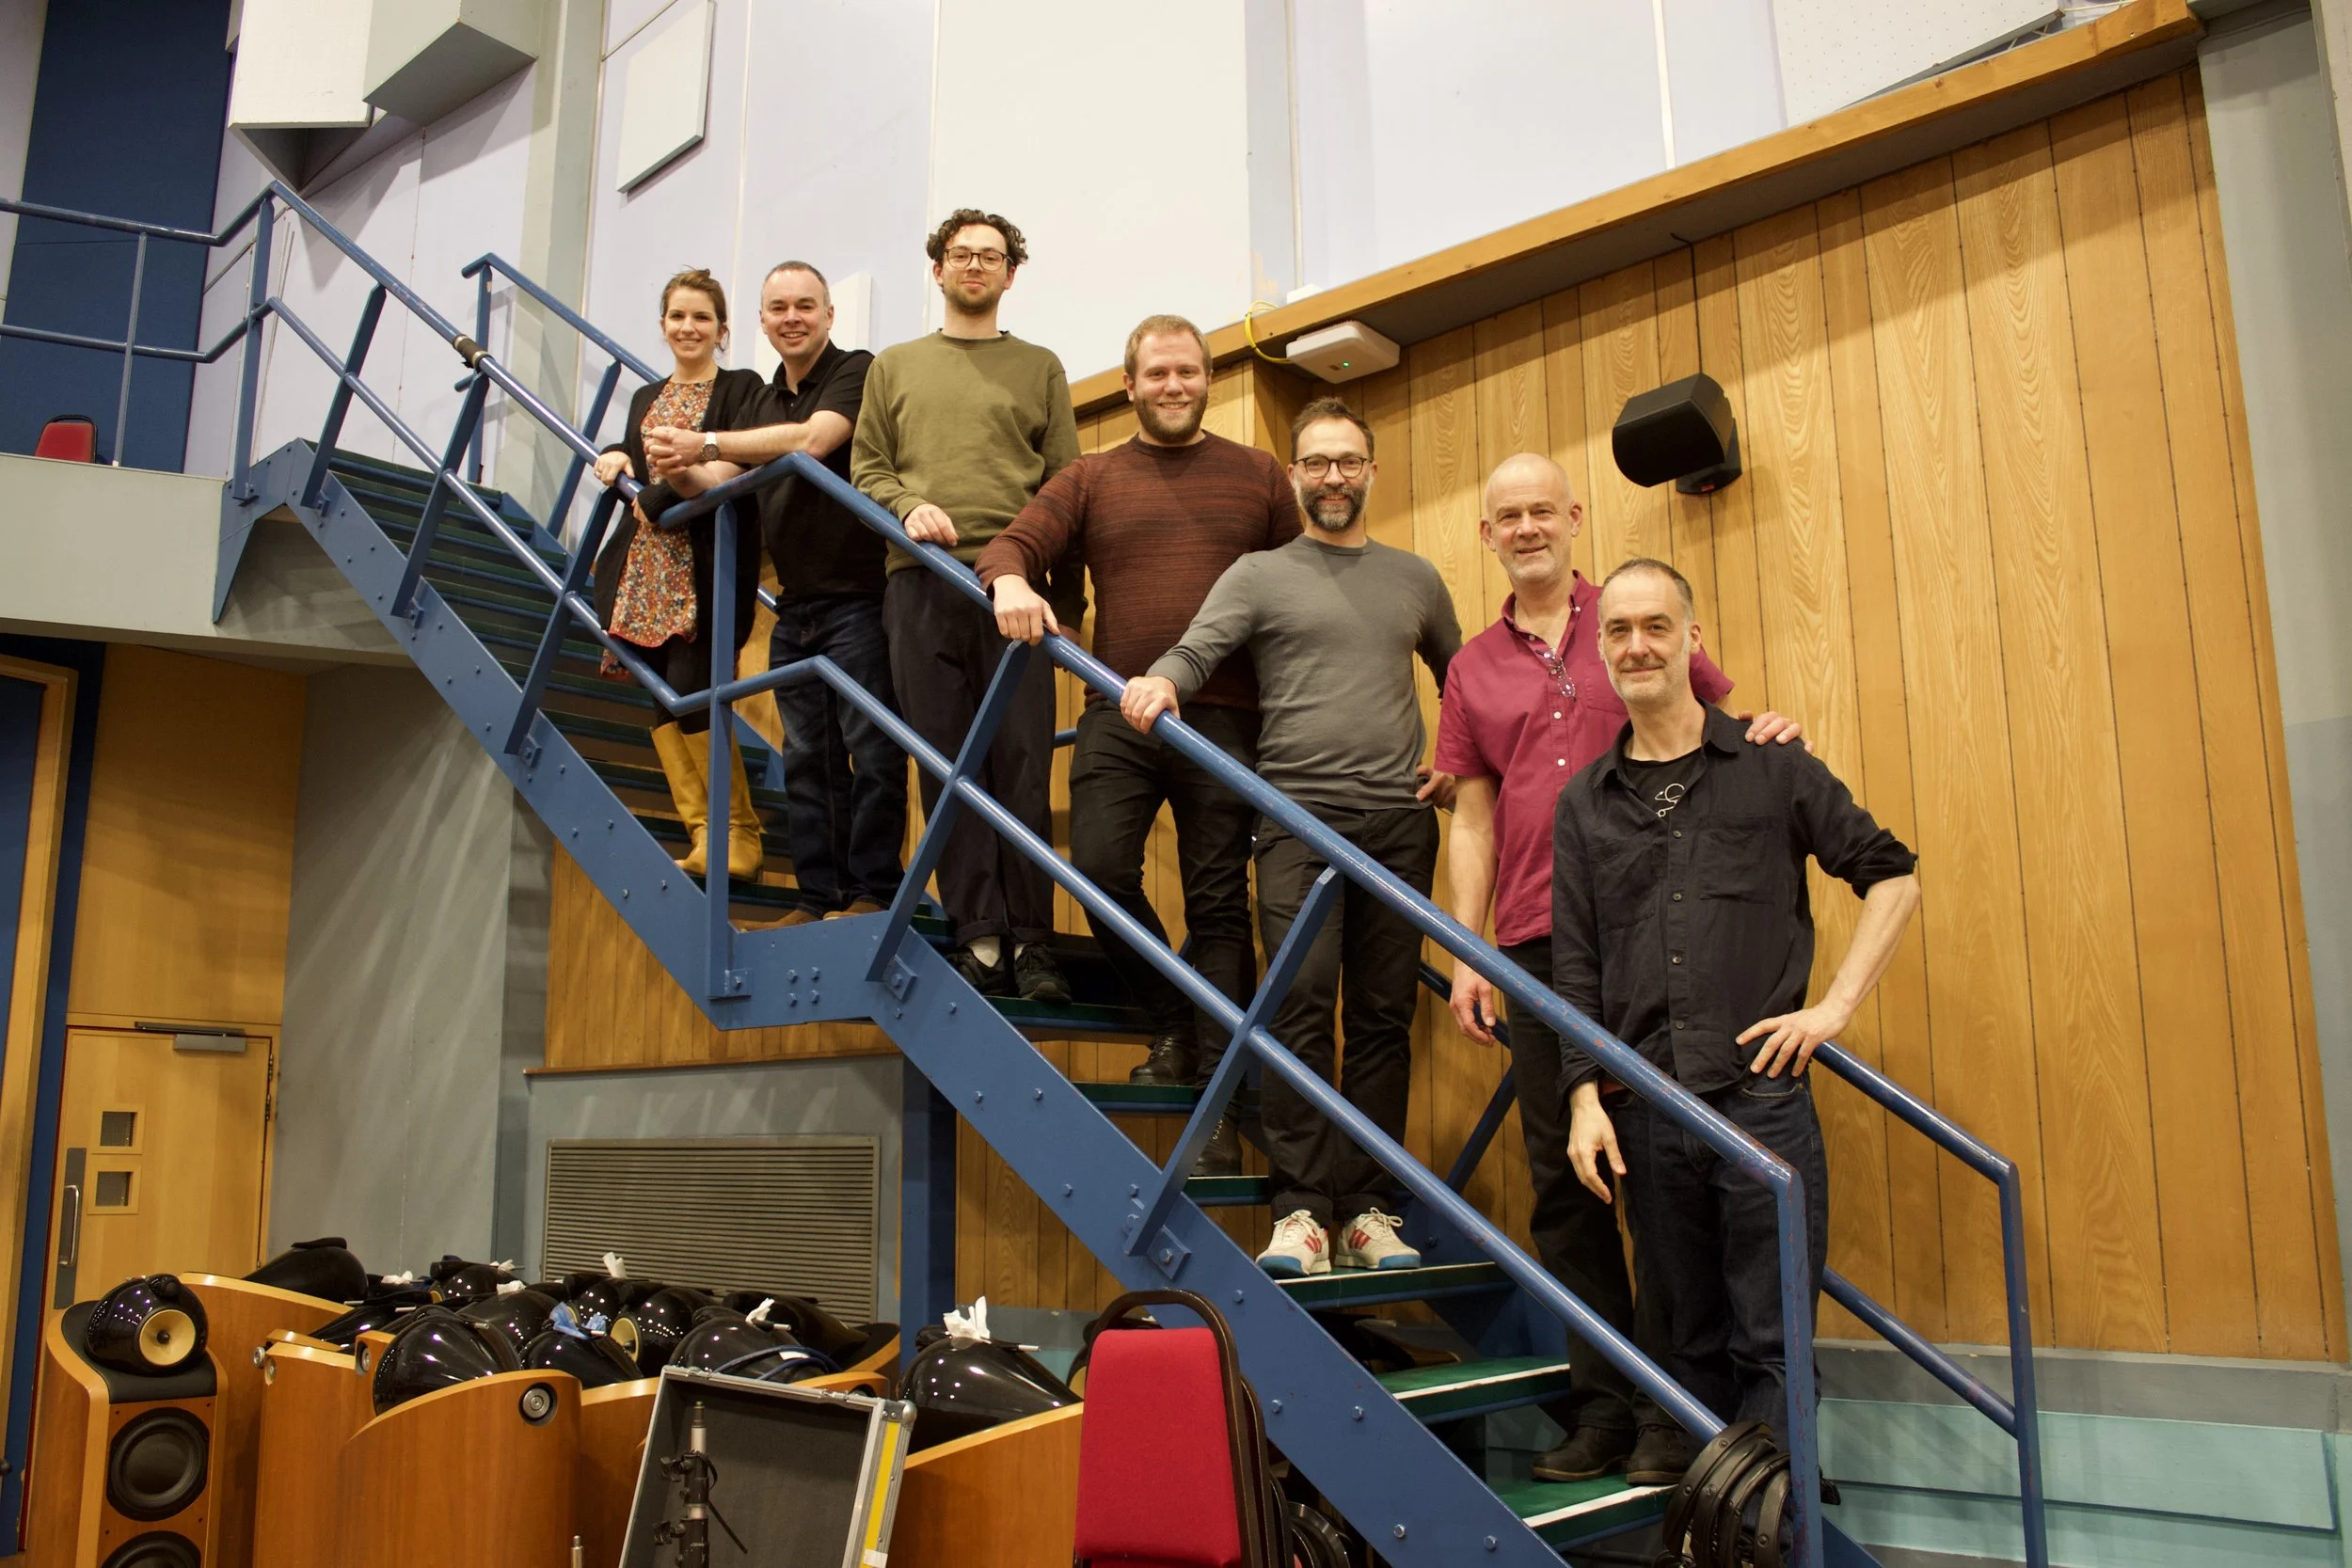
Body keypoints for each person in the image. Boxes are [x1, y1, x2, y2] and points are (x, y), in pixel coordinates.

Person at [1435, 453, 1800, 1486]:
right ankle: (1603, 1410)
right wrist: (1465, 949)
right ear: (1487, 534)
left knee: (1667, 1183)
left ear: (1574, 517)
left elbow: (1714, 727)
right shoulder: (1470, 667)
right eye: (1508, 515)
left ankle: (1675, 1415)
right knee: (1568, 1188)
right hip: (1537, 950)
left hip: (1656, 933)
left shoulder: (1634, 619)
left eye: (1543, 511)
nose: (1527, 528)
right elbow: (1471, 816)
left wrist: (1770, 731)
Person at [1556, 558, 1919, 1449]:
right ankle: (1707, 1511)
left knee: (1773, 1340)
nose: (1637, 645)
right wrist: (1582, 1097)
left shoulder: (1772, 765)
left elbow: (1893, 876)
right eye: (1618, 630)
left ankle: (1776, 1507)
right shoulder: (1584, 803)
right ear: (1600, 649)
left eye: (1656, 626)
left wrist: (1832, 1009)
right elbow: (1577, 964)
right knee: (1683, 1341)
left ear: (1692, 637)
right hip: (1645, 1109)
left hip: (1761, 1100)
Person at [1124, 398, 1460, 1277]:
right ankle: (1303, 1210)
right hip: (1297, 822)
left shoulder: (1416, 578)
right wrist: (1162, 681)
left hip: (1398, 826)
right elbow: (1197, 649)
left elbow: (1462, 682)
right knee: (1300, 1008)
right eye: (1316, 462)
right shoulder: (1260, 573)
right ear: (1295, 474)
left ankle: (1370, 1211)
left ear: (1371, 471)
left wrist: (1461, 765)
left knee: (1384, 1017)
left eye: (1348, 461)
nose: (1333, 477)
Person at [977, 314, 1297, 1175]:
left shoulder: (1260, 475)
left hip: (1226, 720)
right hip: (1117, 708)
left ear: (1208, 378)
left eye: (1187, 371)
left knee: (1218, 907)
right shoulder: (1091, 476)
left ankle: (1219, 1105)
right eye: (1156, 373)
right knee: (1099, 871)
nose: (1173, 385)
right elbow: (1013, 543)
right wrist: (1009, 579)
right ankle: (1175, 1019)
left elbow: (1299, 590)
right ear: (1129, 385)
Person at [851, 209, 1081, 1001]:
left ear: (1011, 274)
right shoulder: (895, 366)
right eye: (961, 254)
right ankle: (980, 937)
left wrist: (1069, 600)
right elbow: (867, 468)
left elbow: (1065, 487)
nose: (974, 265)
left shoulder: (1040, 366)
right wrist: (907, 505)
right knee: (947, 768)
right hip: (921, 581)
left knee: (1023, 765)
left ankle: (1034, 943)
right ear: (939, 269)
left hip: (1017, 589)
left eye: (990, 255)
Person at [649, 261, 904, 927]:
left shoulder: (858, 369)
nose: (792, 317)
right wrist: (676, 467)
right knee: (807, 758)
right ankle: (819, 897)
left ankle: (874, 893)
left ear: (828, 315)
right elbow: (716, 481)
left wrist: (704, 440)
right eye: (778, 307)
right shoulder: (761, 400)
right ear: (761, 321)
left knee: (872, 749)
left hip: (861, 599)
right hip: (795, 606)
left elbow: (814, 441)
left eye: (805, 305)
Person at [591, 267, 770, 880]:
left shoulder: (742, 387)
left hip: (706, 566)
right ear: (663, 325)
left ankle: (740, 835)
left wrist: (662, 493)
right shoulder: (646, 396)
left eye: (702, 317)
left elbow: (737, 463)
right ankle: (703, 833)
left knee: (695, 694)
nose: (688, 327)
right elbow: (638, 461)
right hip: (648, 572)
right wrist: (618, 453)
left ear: (722, 329)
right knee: (665, 703)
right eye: (677, 316)